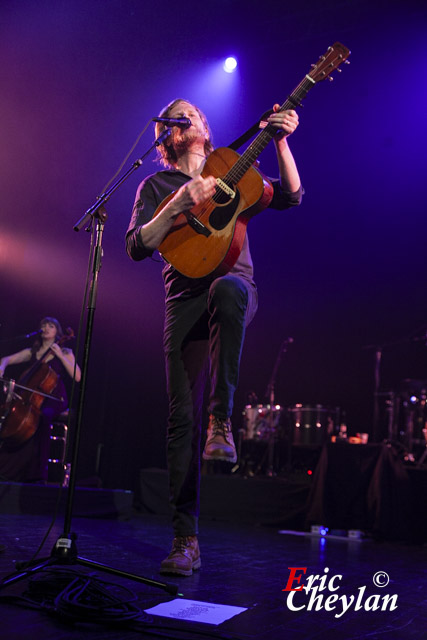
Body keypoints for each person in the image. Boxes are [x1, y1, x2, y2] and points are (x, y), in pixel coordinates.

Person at [126, 99, 302, 576]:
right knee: (180, 421)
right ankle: (185, 539)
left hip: (233, 287)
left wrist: (282, 141)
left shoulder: (232, 168)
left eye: (192, 113)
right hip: (182, 300)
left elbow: (289, 196)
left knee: (227, 289)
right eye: (174, 115)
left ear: (205, 126)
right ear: (168, 135)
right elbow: (136, 245)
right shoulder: (156, 184)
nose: (185, 118)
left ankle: (221, 424)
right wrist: (178, 204)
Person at [0, 317, 81, 482]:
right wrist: (2, 366)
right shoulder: (33, 351)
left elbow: (77, 376)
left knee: (43, 417)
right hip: (32, 399)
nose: (46, 327)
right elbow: (6, 359)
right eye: (43, 324)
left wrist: (59, 354)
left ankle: (38, 473)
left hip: (55, 398)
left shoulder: (65, 352)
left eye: (51, 326)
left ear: (57, 332)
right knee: (15, 419)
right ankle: (9, 468)